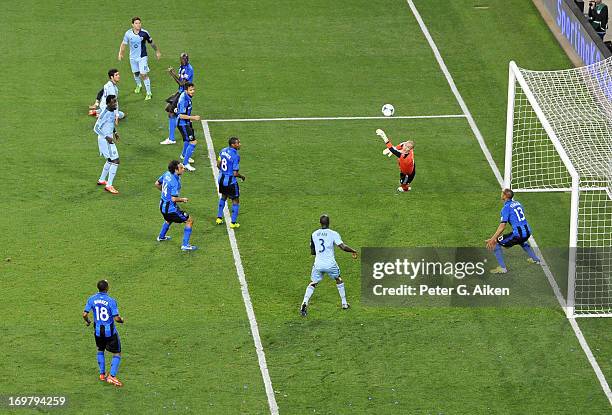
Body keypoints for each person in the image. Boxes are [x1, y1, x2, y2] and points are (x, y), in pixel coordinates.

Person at [300, 215, 358, 317]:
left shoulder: (314, 234)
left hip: (318, 264)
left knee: (313, 282)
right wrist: (353, 251)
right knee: (338, 278)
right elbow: (343, 247)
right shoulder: (333, 234)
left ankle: (304, 302)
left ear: (320, 223)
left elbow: (313, 251)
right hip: (330, 264)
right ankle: (344, 303)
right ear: (329, 222)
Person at [485, 189, 541, 274]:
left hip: (518, 234)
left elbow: (502, 226)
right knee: (522, 241)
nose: (501, 194)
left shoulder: (506, 208)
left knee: (495, 243)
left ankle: (502, 268)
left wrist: (493, 239)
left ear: (505, 196)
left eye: (502, 193)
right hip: (528, 231)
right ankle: (535, 259)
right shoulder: (518, 203)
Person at [82, 279, 125, 387]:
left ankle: (102, 374)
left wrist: (88, 321)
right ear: (107, 288)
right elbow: (116, 318)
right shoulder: (111, 301)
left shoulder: (91, 299)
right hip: (109, 331)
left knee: (100, 349)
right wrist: (121, 320)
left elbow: (84, 314)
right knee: (117, 352)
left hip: (97, 331)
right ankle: (112, 376)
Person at [155, 160, 197, 251]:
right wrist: (183, 199)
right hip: (170, 209)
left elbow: (157, 184)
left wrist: (165, 193)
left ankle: (161, 236)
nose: (183, 169)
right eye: (181, 168)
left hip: (162, 205)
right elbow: (174, 199)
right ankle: (185, 245)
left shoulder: (167, 174)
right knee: (189, 220)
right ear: (175, 170)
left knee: (168, 219)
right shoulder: (174, 182)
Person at [118, 16, 161, 100]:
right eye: (136, 23)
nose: (138, 25)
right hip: (133, 58)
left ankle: (149, 93)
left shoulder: (144, 33)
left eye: (139, 23)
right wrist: (120, 54)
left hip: (142, 57)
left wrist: (157, 51)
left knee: (143, 74)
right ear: (132, 25)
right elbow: (123, 44)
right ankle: (139, 85)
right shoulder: (128, 33)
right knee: (136, 73)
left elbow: (151, 43)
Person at [161, 53, 194, 145]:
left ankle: (172, 138)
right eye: (182, 59)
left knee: (171, 112)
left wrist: (172, 74)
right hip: (180, 92)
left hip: (184, 95)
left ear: (187, 59)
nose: (183, 60)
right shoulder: (181, 67)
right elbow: (179, 82)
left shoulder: (189, 69)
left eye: (185, 59)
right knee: (168, 109)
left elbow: (182, 83)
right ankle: (183, 120)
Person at [93, 95, 121, 194]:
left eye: (116, 102)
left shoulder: (112, 111)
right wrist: (106, 137)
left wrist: (115, 132)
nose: (116, 104)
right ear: (108, 103)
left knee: (110, 159)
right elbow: (96, 128)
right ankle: (109, 185)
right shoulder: (104, 113)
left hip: (108, 138)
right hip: (105, 140)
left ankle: (101, 180)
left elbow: (110, 123)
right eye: (114, 102)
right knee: (116, 160)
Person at [216, 137, 245, 228]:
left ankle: (219, 218)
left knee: (223, 197)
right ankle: (233, 223)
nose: (239, 144)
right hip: (230, 182)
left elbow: (218, 164)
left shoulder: (223, 150)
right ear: (233, 145)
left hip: (221, 179)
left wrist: (224, 172)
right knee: (235, 201)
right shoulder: (236, 156)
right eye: (238, 143)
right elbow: (235, 173)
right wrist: (242, 176)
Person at [176, 83, 201, 171]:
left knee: (187, 140)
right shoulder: (183, 99)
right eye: (191, 90)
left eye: (193, 89)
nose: (193, 91)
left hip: (186, 122)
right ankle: (185, 163)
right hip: (182, 123)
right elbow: (181, 115)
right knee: (193, 142)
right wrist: (193, 117)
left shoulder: (186, 96)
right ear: (186, 90)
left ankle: (183, 155)